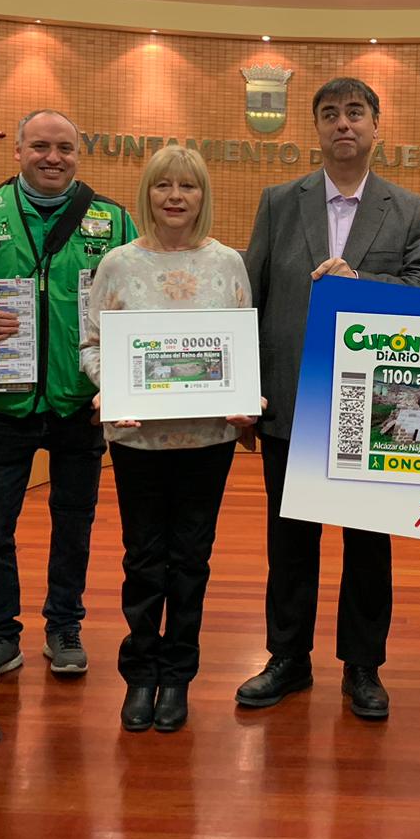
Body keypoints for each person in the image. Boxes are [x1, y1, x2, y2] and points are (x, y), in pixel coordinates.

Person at [237, 76, 420, 719]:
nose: (343, 124)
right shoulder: (278, 200)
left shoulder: (407, 207)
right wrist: (247, 391)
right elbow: (253, 296)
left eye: (356, 113)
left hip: (373, 410)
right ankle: (287, 660)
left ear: (377, 126)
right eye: (330, 115)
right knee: (289, 542)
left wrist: (364, 282)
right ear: (317, 128)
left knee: (367, 545)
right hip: (291, 402)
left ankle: (362, 667)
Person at [0, 109, 136, 694]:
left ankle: (64, 626)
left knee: (74, 521)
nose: (52, 157)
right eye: (40, 146)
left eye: (64, 147)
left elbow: (139, 305)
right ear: (18, 151)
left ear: (78, 155)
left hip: (78, 400)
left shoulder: (112, 222)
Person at [80, 145, 256, 733]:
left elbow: (240, 350)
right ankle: (139, 675)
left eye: (188, 186)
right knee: (142, 558)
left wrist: (245, 400)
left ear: (204, 196)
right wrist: (114, 388)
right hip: (138, 444)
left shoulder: (229, 262)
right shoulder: (118, 264)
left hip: (207, 442)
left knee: (191, 560)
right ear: (147, 193)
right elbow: (91, 346)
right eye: (163, 186)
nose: (175, 197)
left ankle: (178, 675)